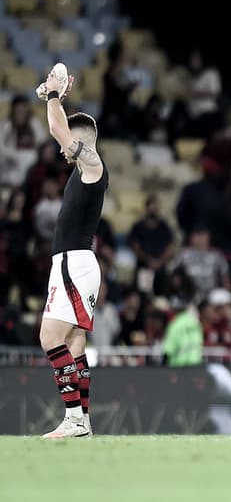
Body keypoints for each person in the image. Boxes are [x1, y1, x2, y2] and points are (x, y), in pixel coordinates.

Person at [37, 65, 109, 438]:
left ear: (80, 139)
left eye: (68, 141)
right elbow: (59, 127)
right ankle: (83, 420)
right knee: (73, 342)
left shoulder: (92, 164)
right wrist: (58, 98)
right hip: (77, 263)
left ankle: (74, 419)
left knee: (49, 338)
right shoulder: (83, 171)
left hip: (74, 263)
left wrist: (53, 92)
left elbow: (56, 129)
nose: (61, 150)